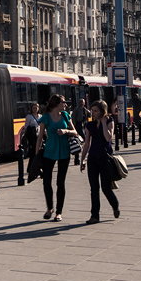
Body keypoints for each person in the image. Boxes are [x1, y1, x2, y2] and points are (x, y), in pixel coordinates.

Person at [36, 94, 78, 222]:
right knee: (46, 181)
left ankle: (59, 212)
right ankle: (50, 208)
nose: (65, 104)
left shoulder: (65, 115)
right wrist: (36, 154)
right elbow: (40, 136)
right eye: (63, 102)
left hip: (64, 152)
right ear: (56, 104)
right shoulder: (46, 118)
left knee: (60, 182)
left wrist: (66, 131)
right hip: (49, 152)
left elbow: (75, 132)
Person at [80, 100, 120, 225]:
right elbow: (86, 143)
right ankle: (94, 216)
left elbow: (108, 137)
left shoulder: (109, 121)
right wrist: (82, 159)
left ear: (102, 111)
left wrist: (103, 122)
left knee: (105, 188)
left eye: (96, 110)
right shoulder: (89, 125)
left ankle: (115, 205)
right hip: (93, 158)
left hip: (105, 158)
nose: (93, 113)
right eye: (92, 110)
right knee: (94, 188)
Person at [23, 103, 41, 178]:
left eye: (36, 107)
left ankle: (33, 168)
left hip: (39, 137)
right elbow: (26, 127)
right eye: (33, 108)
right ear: (31, 109)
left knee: (38, 153)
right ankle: (33, 169)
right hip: (32, 138)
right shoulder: (29, 116)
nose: (35, 109)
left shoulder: (40, 116)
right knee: (34, 153)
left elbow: (42, 126)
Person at [71, 99, 91, 165]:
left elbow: (89, 116)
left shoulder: (85, 110)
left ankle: (81, 157)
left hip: (84, 126)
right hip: (78, 126)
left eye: (82, 102)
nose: (81, 103)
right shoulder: (76, 110)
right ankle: (77, 159)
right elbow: (73, 119)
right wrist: (73, 128)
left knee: (84, 141)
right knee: (79, 141)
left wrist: (89, 123)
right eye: (80, 102)